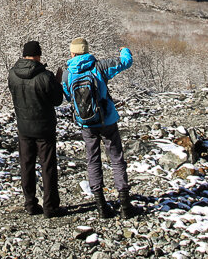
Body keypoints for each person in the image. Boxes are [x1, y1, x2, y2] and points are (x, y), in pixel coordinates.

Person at [58, 37, 135, 218]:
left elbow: (69, 97)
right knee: (116, 158)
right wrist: (124, 49)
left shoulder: (67, 75)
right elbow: (126, 62)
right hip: (107, 120)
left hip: (86, 123)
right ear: (86, 51)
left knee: (92, 159)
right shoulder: (99, 67)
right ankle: (124, 203)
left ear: (72, 53)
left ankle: (101, 205)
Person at [7, 39, 65, 217]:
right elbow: (57, 100)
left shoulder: (12, 74)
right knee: (47, 166)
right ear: (38, 55)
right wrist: (57, 82)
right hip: (44, 128)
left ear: (24, 54)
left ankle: (30, 204)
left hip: (24, 127)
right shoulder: (45, 76)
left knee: (26, 165)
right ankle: (50, 206)